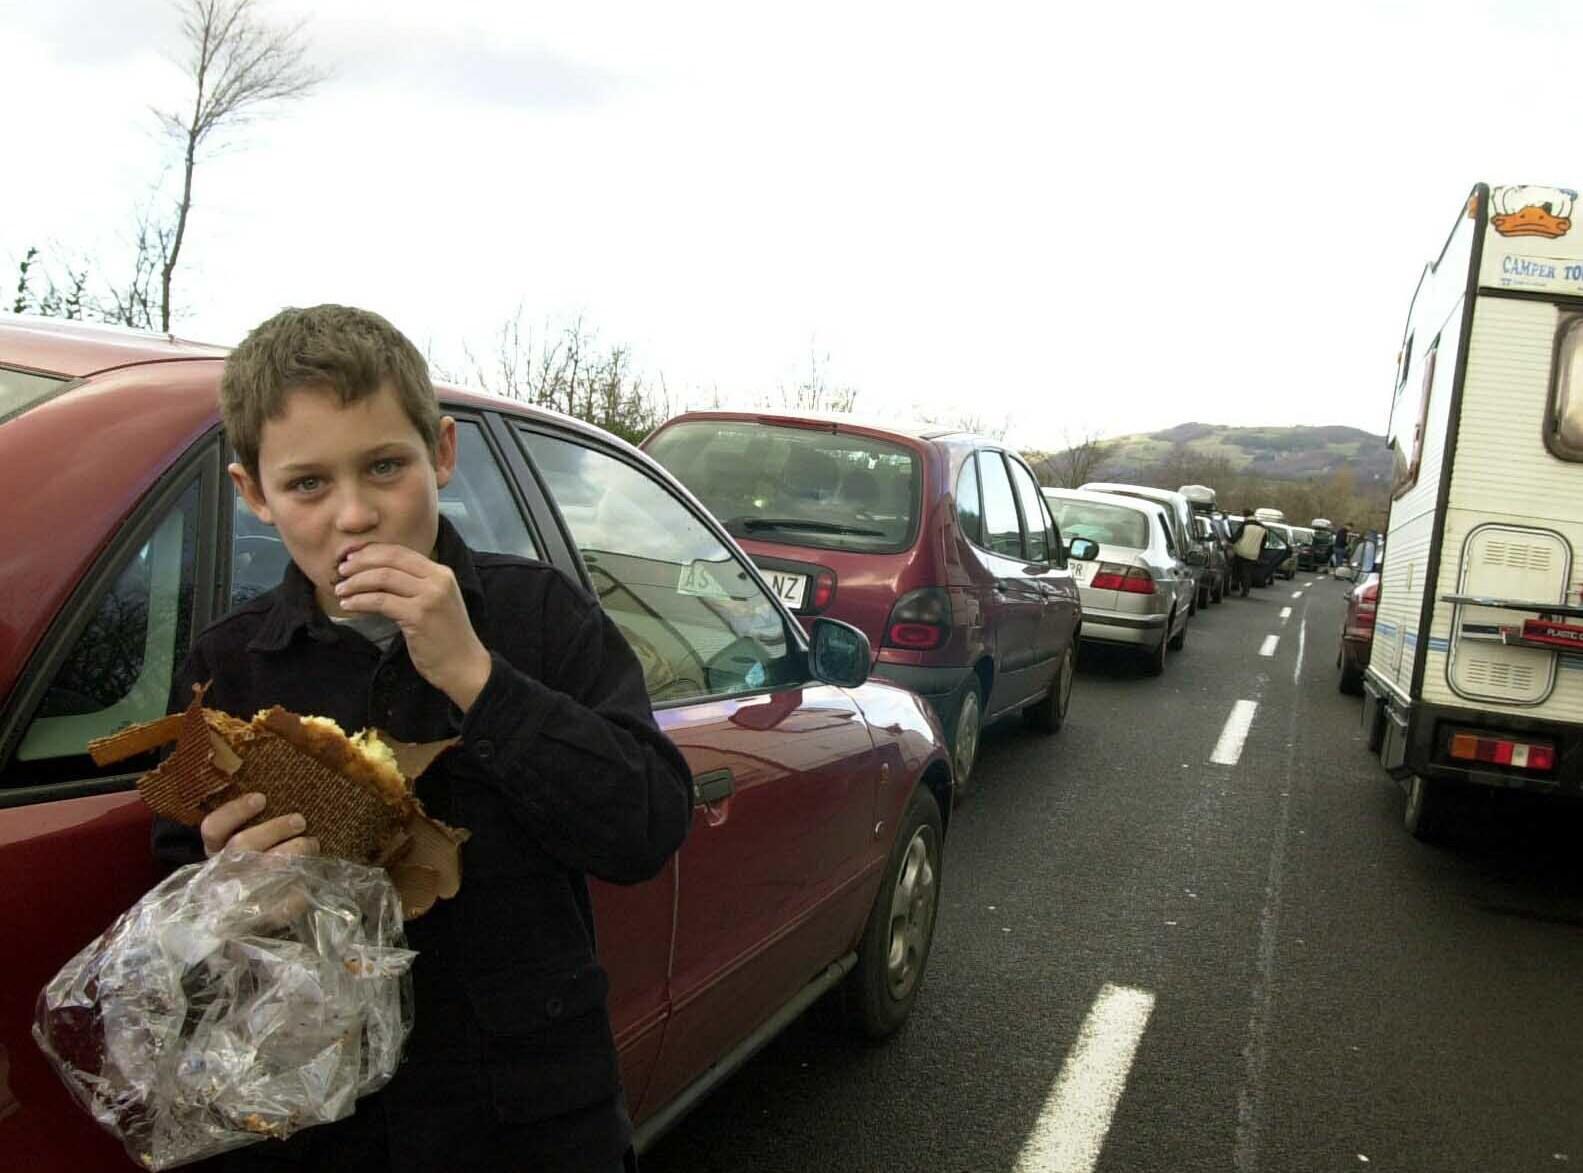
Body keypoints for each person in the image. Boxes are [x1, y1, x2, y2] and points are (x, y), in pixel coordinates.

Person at [151, 305, 693, 1173]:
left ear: (441, 454)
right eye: (307, 485)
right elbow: (183, 883)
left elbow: (646, 826)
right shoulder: (229, 664)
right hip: (328, 1124)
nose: (355, 514)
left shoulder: (540, 614)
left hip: (530, 1115)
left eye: (385, 467)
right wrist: (236, 890)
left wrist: (479, 677)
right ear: (253, 494)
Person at [1230, 508, 1267, 597]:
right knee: (1247, 572)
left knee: (1236, 568)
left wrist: (1229, 540)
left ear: (1245, 515)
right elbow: (1263, 543)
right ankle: (1246, 590)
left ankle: (1235, 584)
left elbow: (1235, 538)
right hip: (1254, 554)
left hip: (1241, 551)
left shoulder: (1245, 525)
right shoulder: (1263, 528)